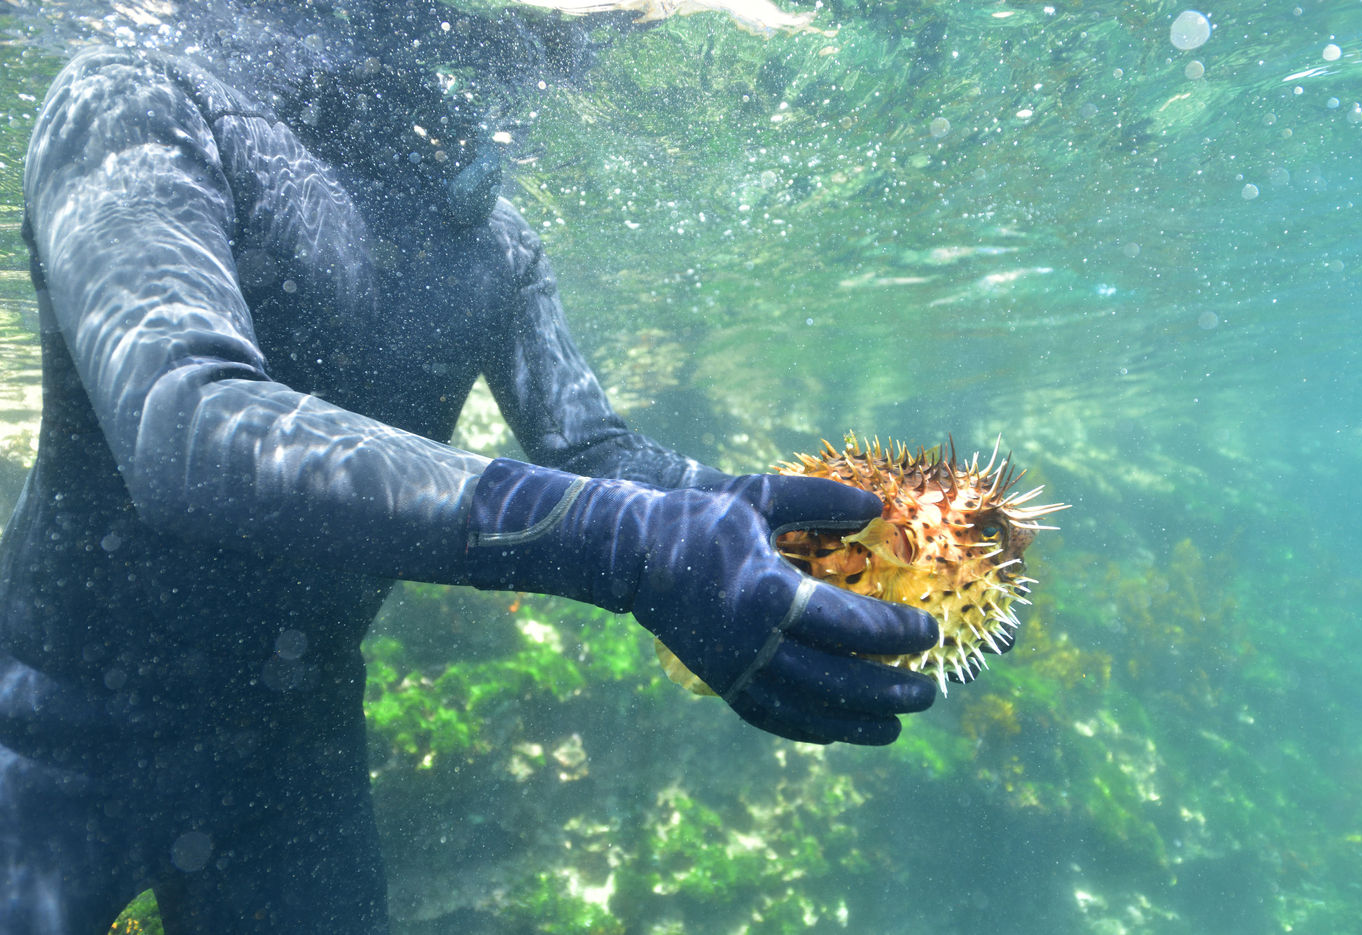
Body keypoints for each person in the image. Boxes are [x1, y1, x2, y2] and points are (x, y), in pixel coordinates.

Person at [0, 1, 939, 931]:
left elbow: (591, 450)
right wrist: (626, 543)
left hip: (294, 738)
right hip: (56, 715)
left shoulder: (496, 244)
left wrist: (762, 523)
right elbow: (189, 424)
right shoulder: (140, 95)